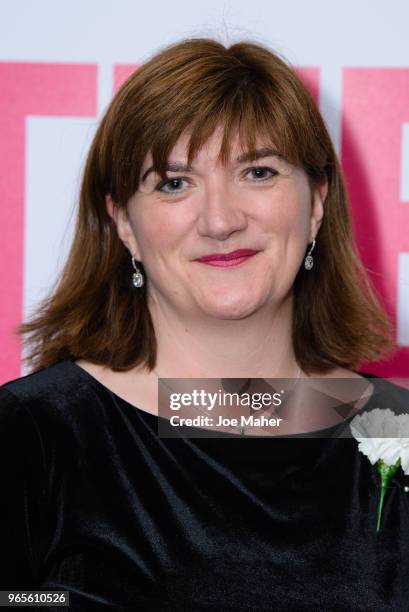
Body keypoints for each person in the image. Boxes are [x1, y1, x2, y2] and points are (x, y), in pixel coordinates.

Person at [1, 36, 409, 610]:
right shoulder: (34, 435)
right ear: (122, 221)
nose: (220, 220)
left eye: (259, 172)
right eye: (174, 183)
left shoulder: (401, 436)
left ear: (316, 202)